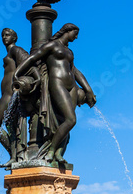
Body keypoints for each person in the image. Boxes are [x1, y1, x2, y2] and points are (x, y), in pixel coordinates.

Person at [13, 23, 96, 164]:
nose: (76, 37)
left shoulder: (69, 52)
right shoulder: (51, 46)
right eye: (75, 34)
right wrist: (17, 72)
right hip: (57, 83)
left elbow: (75, 71)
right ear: (67, 31)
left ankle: (58, 153)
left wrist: (88, 89)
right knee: (71, 119)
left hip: (71, 86)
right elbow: (32, 59)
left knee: (65, 122)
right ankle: (50, 151)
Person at [0, 28, 30, 165]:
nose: (4, 38)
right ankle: (15, 156)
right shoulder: (9, 53)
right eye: (2, 35)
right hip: (7, 93)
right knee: (11, 127)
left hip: (10, 94)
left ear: (14, 37)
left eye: (7, 35)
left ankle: (14, 153)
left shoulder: (15, 50)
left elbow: (28, 61)